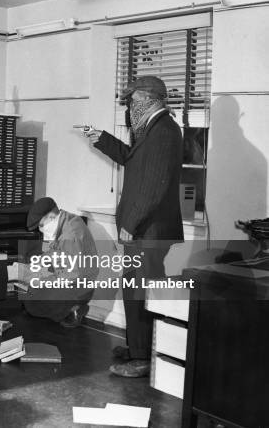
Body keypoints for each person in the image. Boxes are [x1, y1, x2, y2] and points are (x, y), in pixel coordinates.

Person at [85, 75, 183, 377]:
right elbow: (132, 160)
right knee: (136, 290)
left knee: (140, 291)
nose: (129, 106)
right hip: (144, 229)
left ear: (150, 99)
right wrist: (102, 139)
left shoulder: (164, 130)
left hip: (147, 230)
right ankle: (139, 346)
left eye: (133, 100)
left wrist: (131, 222)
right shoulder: (150, 130)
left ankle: (142, 357)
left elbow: (155, 185)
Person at [14, 197, 98, 329]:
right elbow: (55, 253)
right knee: (28, 287)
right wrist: (35, 266)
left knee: (31, 301)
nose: (41, 230)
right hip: (74, 278)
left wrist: (39, 280)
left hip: (78, 286)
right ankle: (64, 307)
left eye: (41, 226)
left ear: (51, 216)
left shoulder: (70, 235)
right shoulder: (66, 221)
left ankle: (74, 310)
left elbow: (70, 276)